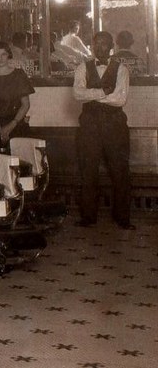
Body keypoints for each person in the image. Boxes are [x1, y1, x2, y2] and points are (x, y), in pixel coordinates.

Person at [72, 31, 133, 230]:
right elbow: (77, 94)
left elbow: (120, 99)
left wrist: (92, 96)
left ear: (111, 46)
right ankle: (88, 217)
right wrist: (102, 92)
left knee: (120, 171)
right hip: (89, 125)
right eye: (97, 44)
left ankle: (122, 217)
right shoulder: (82, 67)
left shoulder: (122, 69)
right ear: (92, 45)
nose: (101, 48)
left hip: (115, 125)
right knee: (88, 170)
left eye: (105, 44)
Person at [0, 41, 35, 144]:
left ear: (8, 54)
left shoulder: (18, 75)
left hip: (16, 122)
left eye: (3, 54)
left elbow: (25, 104)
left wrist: (11, 125)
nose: (0, 58)